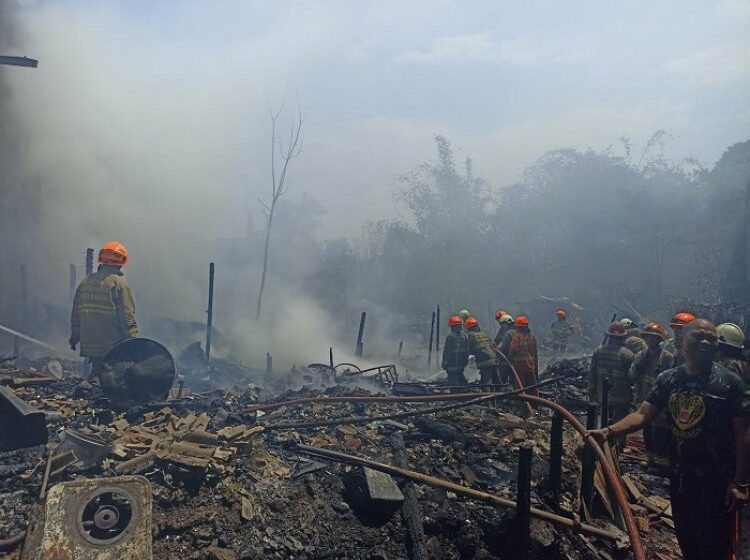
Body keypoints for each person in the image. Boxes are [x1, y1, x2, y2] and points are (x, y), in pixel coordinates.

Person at [590, 319, 750, 560]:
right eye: (698, 336)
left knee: (715, 544)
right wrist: (608, 431)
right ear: (682, 341)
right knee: (687, 537)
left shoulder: (730, 383)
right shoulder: (669, 379)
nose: (705, 341)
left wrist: (740, 483)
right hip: (681, 477)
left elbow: (743, 435)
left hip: (718, 481)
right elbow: (643, 414)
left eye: (711, 337)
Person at [70, 241, 139, 379]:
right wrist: (134, 342)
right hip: (112, 344)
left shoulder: (85, 282)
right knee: (114, 378)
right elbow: (127, 317)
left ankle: (91, 394)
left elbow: (76, 314)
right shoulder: (119, 284)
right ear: (122, 261)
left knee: (98, 373)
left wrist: (75, 336)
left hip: (90, 343)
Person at [629, 322, 673, 469]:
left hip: (661, 402)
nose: (650, 340)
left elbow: (672, 379)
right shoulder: (640, 355)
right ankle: (650, 459)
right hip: (644, 399)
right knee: (647, 429)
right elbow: (632, 375)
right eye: (648, 337)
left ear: (660, 339)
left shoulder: (666, 358)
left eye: (654, 338)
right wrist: (639, 364)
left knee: (660, 430)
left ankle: (662, 463)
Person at [588, 322, 635, 425]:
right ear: (623, 338)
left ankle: (604, 441)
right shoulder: (627, 354)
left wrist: (592, 391)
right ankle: (619, 441)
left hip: (603, 397)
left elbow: (592, 374)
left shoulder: (598, 352)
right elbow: (633, 377)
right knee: (620, 427)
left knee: (604, 425)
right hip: (621, 399)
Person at [501, 315, 539, 396]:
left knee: (520, 386)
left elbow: (512, 351)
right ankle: (536, 402)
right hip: (530, 365)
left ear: (517, 327)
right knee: (532, 385)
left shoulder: (516, 337)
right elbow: (535, 352)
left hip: (519, 366)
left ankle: (522, 403)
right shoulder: (532, 337)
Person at [465, 316, 501, 385]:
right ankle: (501, 393)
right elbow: (494, 345)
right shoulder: (484, 333)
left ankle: (489, 394)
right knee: (497, 380)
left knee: (487, 382)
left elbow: (468, 350)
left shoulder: (471, 335)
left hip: (485, 362)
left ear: (468, 328)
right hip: (495, 360)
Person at [441, 315, 469, 386]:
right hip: (461, 365)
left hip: (452, 365)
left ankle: (456, 395)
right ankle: (465, 391)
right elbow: (467, 351)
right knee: (461, 379)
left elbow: (447, 352)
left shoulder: (450, 337)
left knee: (454, 384)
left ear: (452, 326)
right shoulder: (465, 336)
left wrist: (444, 363)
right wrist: (465, 362)